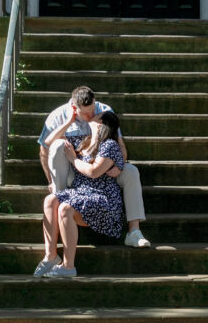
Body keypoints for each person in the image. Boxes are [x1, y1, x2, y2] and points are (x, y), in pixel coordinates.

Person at [36, 85, 150, 265]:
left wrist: (120, 165)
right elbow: (45, 148)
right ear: (74, 108)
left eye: (93, 111)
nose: (91, 116)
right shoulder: (57, 116)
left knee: (132, 171)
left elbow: (118, 143)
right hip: (73, 173)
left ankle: (134, 231)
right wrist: (50, 180)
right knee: (57, 146)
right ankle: (60, 199)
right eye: (86, 114)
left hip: (101, 169)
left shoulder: (104, 112)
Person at [35, 111, 125, 278]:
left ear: (101, 125)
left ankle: (68, 266)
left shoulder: (110, 146)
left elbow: (93, 172)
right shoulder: (85, 142)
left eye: (95, 118)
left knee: (65, 208)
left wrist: (73, 159)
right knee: (50, 200)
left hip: (101, 198)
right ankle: (51, 256)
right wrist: (68, 122)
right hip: (80, 193)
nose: (90, 119)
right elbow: (48, 142)